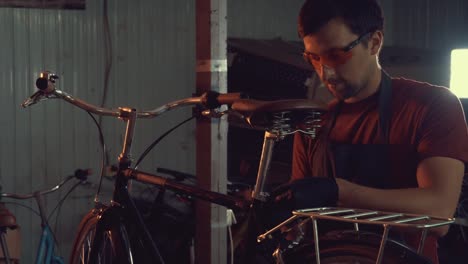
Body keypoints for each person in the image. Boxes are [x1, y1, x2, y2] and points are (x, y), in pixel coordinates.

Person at [289, 0, 468, 263]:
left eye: (336, 56)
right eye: (313, 58)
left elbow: (438, 213)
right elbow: (298, 221)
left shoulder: (432, 106)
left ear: (374, 43)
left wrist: (340, 192)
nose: (324, 72)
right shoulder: (313, 124)